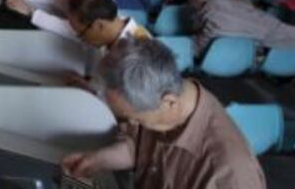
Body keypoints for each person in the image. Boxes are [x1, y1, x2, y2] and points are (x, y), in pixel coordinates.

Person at [61, 39, 266, 189]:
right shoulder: (159, 103)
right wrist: (96, 160)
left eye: (135, 118)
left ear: (169, 102)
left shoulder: (230, 174)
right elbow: (137, 147)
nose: (132, 122)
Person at [181, 0, 295, 56]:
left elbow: (196, 37)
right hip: (242, 57)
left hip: (210, 53)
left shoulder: (213, 7)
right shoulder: (260, 16)